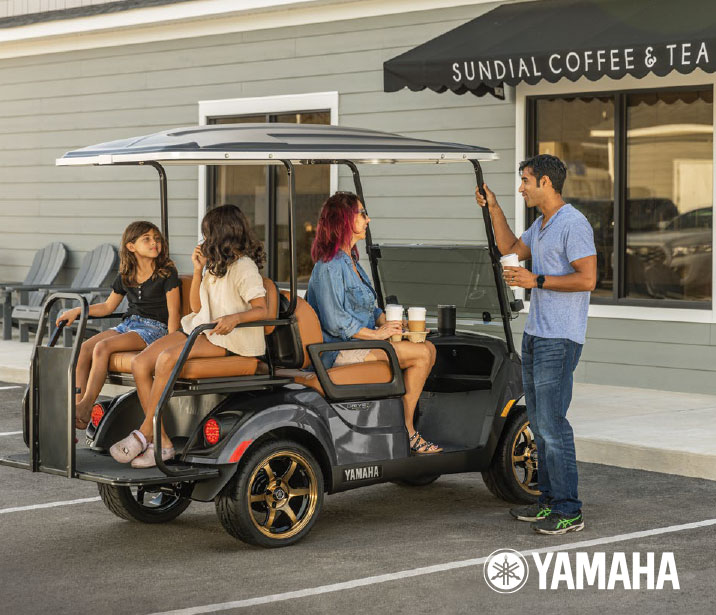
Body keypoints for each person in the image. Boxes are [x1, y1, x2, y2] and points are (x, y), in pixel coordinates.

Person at [476, 154, 596, 535]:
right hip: (537, 335)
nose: (521, 187)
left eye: (525, 180)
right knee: (540, 423)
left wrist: (537, 281)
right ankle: (548, 501)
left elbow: (588, 278)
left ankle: (569, 509)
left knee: (552, 425)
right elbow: (509, 245)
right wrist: (493, 206)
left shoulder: (573, 224)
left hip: (560, 339)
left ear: (545, 182)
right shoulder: (542, 224)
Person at [108, 204, 269, 468]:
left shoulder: (244, 267)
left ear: (222, 234)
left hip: (231, 339)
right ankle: (163, 443)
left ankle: (145, 432)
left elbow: (262, 309)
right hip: (203, 329)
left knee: (167, 358)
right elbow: (196, 308)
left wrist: (235, 318)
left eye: (207, 234)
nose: (204, 240)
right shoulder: (215, 267)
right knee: (140, 363)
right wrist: (197, 270)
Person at [306, 192, 439, 454]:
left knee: (430, 349)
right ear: (344, 219)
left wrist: (390, 322)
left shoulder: (351, 261)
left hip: (360, 342)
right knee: (421, 355)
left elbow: (371, 307)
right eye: (362, 214)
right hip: (339, 350)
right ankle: (407, 431)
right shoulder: (329, 266)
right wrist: (379, 334)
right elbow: (336, 322)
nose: (368, 219)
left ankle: (397, 422)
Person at [56, 221, 180, 429]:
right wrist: (77, 311)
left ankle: (86, 406)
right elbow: (107, 307)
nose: (154, 243)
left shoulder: (166, 273)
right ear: (131, 247)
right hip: (129, 325)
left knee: (103, 347)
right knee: (85, 348)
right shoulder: (126, 275)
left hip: (155, 328)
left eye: (156, 238)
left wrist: (173, 343)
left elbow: (174, 313)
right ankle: (78, 408)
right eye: (147, 239)